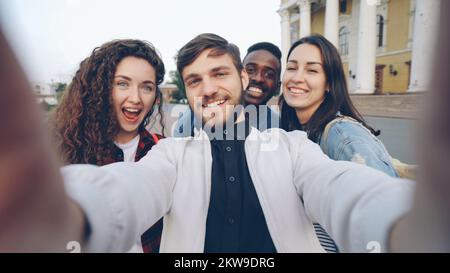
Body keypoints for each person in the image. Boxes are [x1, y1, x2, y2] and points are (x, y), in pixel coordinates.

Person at [0, 32, 416, 253]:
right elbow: (131, 188)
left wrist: (402, 220)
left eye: (219, 73)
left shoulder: (291, 147)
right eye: (195, 80)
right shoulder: (169, 153)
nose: (209, 88)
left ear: (242, 78)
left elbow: (339, 186)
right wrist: (67, 213)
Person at [51, 39, 166, 252]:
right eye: (122, 83)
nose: (136, 98)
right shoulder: (61, 150)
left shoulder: (162, 149)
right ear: (100, 88)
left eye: (147, 87)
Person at [280, 34, 397, 177]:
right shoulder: (296, 127)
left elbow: (383, 195)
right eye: (291, 67)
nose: (296, 78)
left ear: (329, 83)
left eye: (312, 70)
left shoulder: (343, 135)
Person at [173, 41, 281, 137]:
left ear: (277, 86)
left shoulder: (278, 129)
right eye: (251, 69)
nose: (258, 79)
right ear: (240, 76)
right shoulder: (191, 119)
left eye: (269, 74)